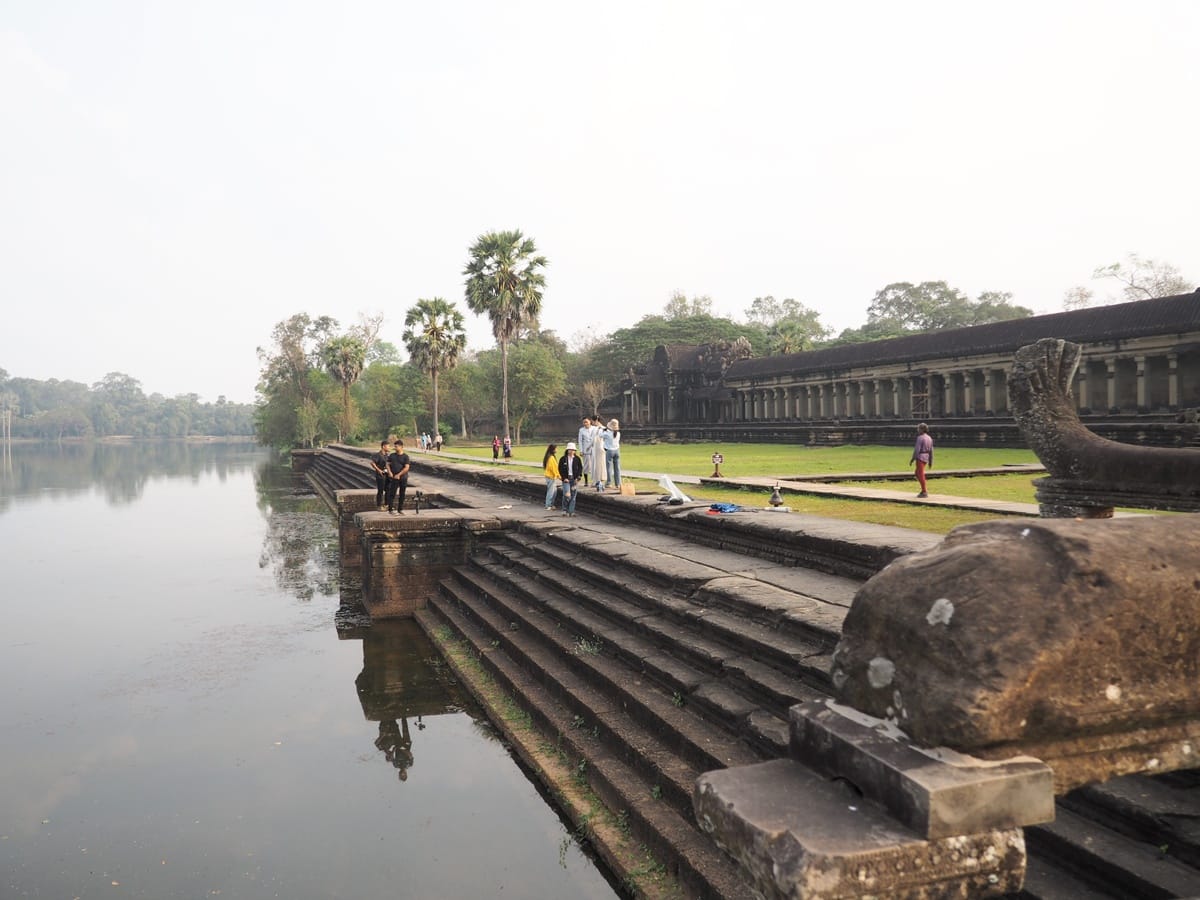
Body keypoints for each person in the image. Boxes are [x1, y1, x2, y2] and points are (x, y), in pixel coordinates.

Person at [385, 439, 412, 513]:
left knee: (402, 493)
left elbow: (406, 467)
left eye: (397, 446)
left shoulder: (405, 457)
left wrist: (399, 474)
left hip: (403, 477)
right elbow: (387, 464)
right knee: (392, 493)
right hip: (394, 477)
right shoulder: (392, 455)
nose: (395, 448)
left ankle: (400, 509)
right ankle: (390, 509)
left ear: (401, 447)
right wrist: (389, 472)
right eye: (395, 446)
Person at [559, 442, 583, 516]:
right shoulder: (563, 459)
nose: (572, 451)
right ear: (567, 450)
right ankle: (564, 509)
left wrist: (578, 477)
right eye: (570, 450)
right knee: (567, 495)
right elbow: (560, 469)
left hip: (574, 479)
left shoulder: (577, 459)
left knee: (573, 496)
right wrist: (564, 478)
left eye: (573, 450)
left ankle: (571, 511)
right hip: (566, 479)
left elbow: (580, 468)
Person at [911, 422, 933, 498]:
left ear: (922, 429)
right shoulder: (929, 438)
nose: (918, 430)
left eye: (918, 429)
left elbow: (917, 449)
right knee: (917, 473)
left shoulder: (920, 438)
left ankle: (924, 491)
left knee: (920, 474)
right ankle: (923, 490)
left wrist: (913, 458)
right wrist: (930, 461)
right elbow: (931, 451)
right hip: (926, 457)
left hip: (920, 457)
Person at [371, 440, 391, 509]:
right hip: (380, 475)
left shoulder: (387, 455)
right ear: (383, 446)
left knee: (388, 489)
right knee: (380, 490)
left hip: (387, 475)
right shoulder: (378, 455)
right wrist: (378, 470)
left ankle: (387, 504)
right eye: (388, 446)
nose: (389, 447)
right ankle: (379, 505)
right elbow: (372, 463)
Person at [603, 419, 621, 489]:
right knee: (617, 468)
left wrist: (605, 429)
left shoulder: (607, 434)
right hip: (617, 450)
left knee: (609, 468)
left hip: (609, 451)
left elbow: (600, 435)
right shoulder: (618, 434)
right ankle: (618, 483)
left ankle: (609, 482)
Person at [589, 418, 607, 491]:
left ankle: (602, 479)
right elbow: (592, 439)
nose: (592, 423)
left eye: (593, 421)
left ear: (596, 421)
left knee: (602, 464)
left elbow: (605, 438)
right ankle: (596, 480)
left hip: (601, 447)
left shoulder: (604, 428)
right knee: (595, 465)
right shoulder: (594, 429)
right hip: (595, 448)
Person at [542, 443, 560, 509]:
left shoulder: (550, 456)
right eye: (556, 448)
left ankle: (551, 504)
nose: (557, 450)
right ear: (553, 450)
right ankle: (548, 505)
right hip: (550, 477)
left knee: (554, 491)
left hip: (551, 476)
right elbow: (553, 468)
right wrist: (558, 476)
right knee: (551, 491)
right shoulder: (551, 457)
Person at [577, 417, 593, 485]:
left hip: (593, 449)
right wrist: (581, 450)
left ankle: (594, 481)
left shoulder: (594, 429)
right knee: (586, 465)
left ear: (590, 421)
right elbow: (580, 441)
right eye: (584, 422)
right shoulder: (581, 430)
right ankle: (586, 481)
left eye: (586, 422)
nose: (585, 423)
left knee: (594, 465)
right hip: (585, 449)